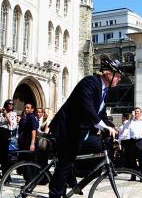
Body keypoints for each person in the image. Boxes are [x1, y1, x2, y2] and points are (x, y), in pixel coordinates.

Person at [48, 57, 122, 198]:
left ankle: (74, 176)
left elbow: (102, 114)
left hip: (81, 132)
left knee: (99, 147)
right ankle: (56, 193)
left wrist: (112, 127)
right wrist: (104, 127)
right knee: (65, 163)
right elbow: (88, 109)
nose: (119, 79)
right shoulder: (90, 82)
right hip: (67, 129)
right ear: (108, 74)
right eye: (117, 75)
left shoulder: (104, 91)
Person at [0, 99, 17, 182]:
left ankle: (5, 176)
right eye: (8, 104)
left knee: (4, 157)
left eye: (12, 104)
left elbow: (13, 125)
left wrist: (6, 115)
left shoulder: (13, 114)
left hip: (6, 134)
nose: (10, 105)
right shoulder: (2, 113)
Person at [125, 107, 142, 178]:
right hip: (132, 141)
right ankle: (133, 176)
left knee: (141, 159)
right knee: (132, 160)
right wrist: (130, 118)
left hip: (141, 142)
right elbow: (126, 128)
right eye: (135, 112)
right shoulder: (131, 121)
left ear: (141, 113)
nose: (136, 113)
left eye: (138, 112)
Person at [18, 103, 39, 182]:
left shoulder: (32, 117)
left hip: (30, 143)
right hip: (25, 143)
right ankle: (28, 180)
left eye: (28, 108)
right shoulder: (25, 117)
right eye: (25, 108)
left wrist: (32, 143)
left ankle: (30, 181)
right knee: (25, 163)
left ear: (32, 109)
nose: (26, 109)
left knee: (29, 163)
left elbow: (33, 131)